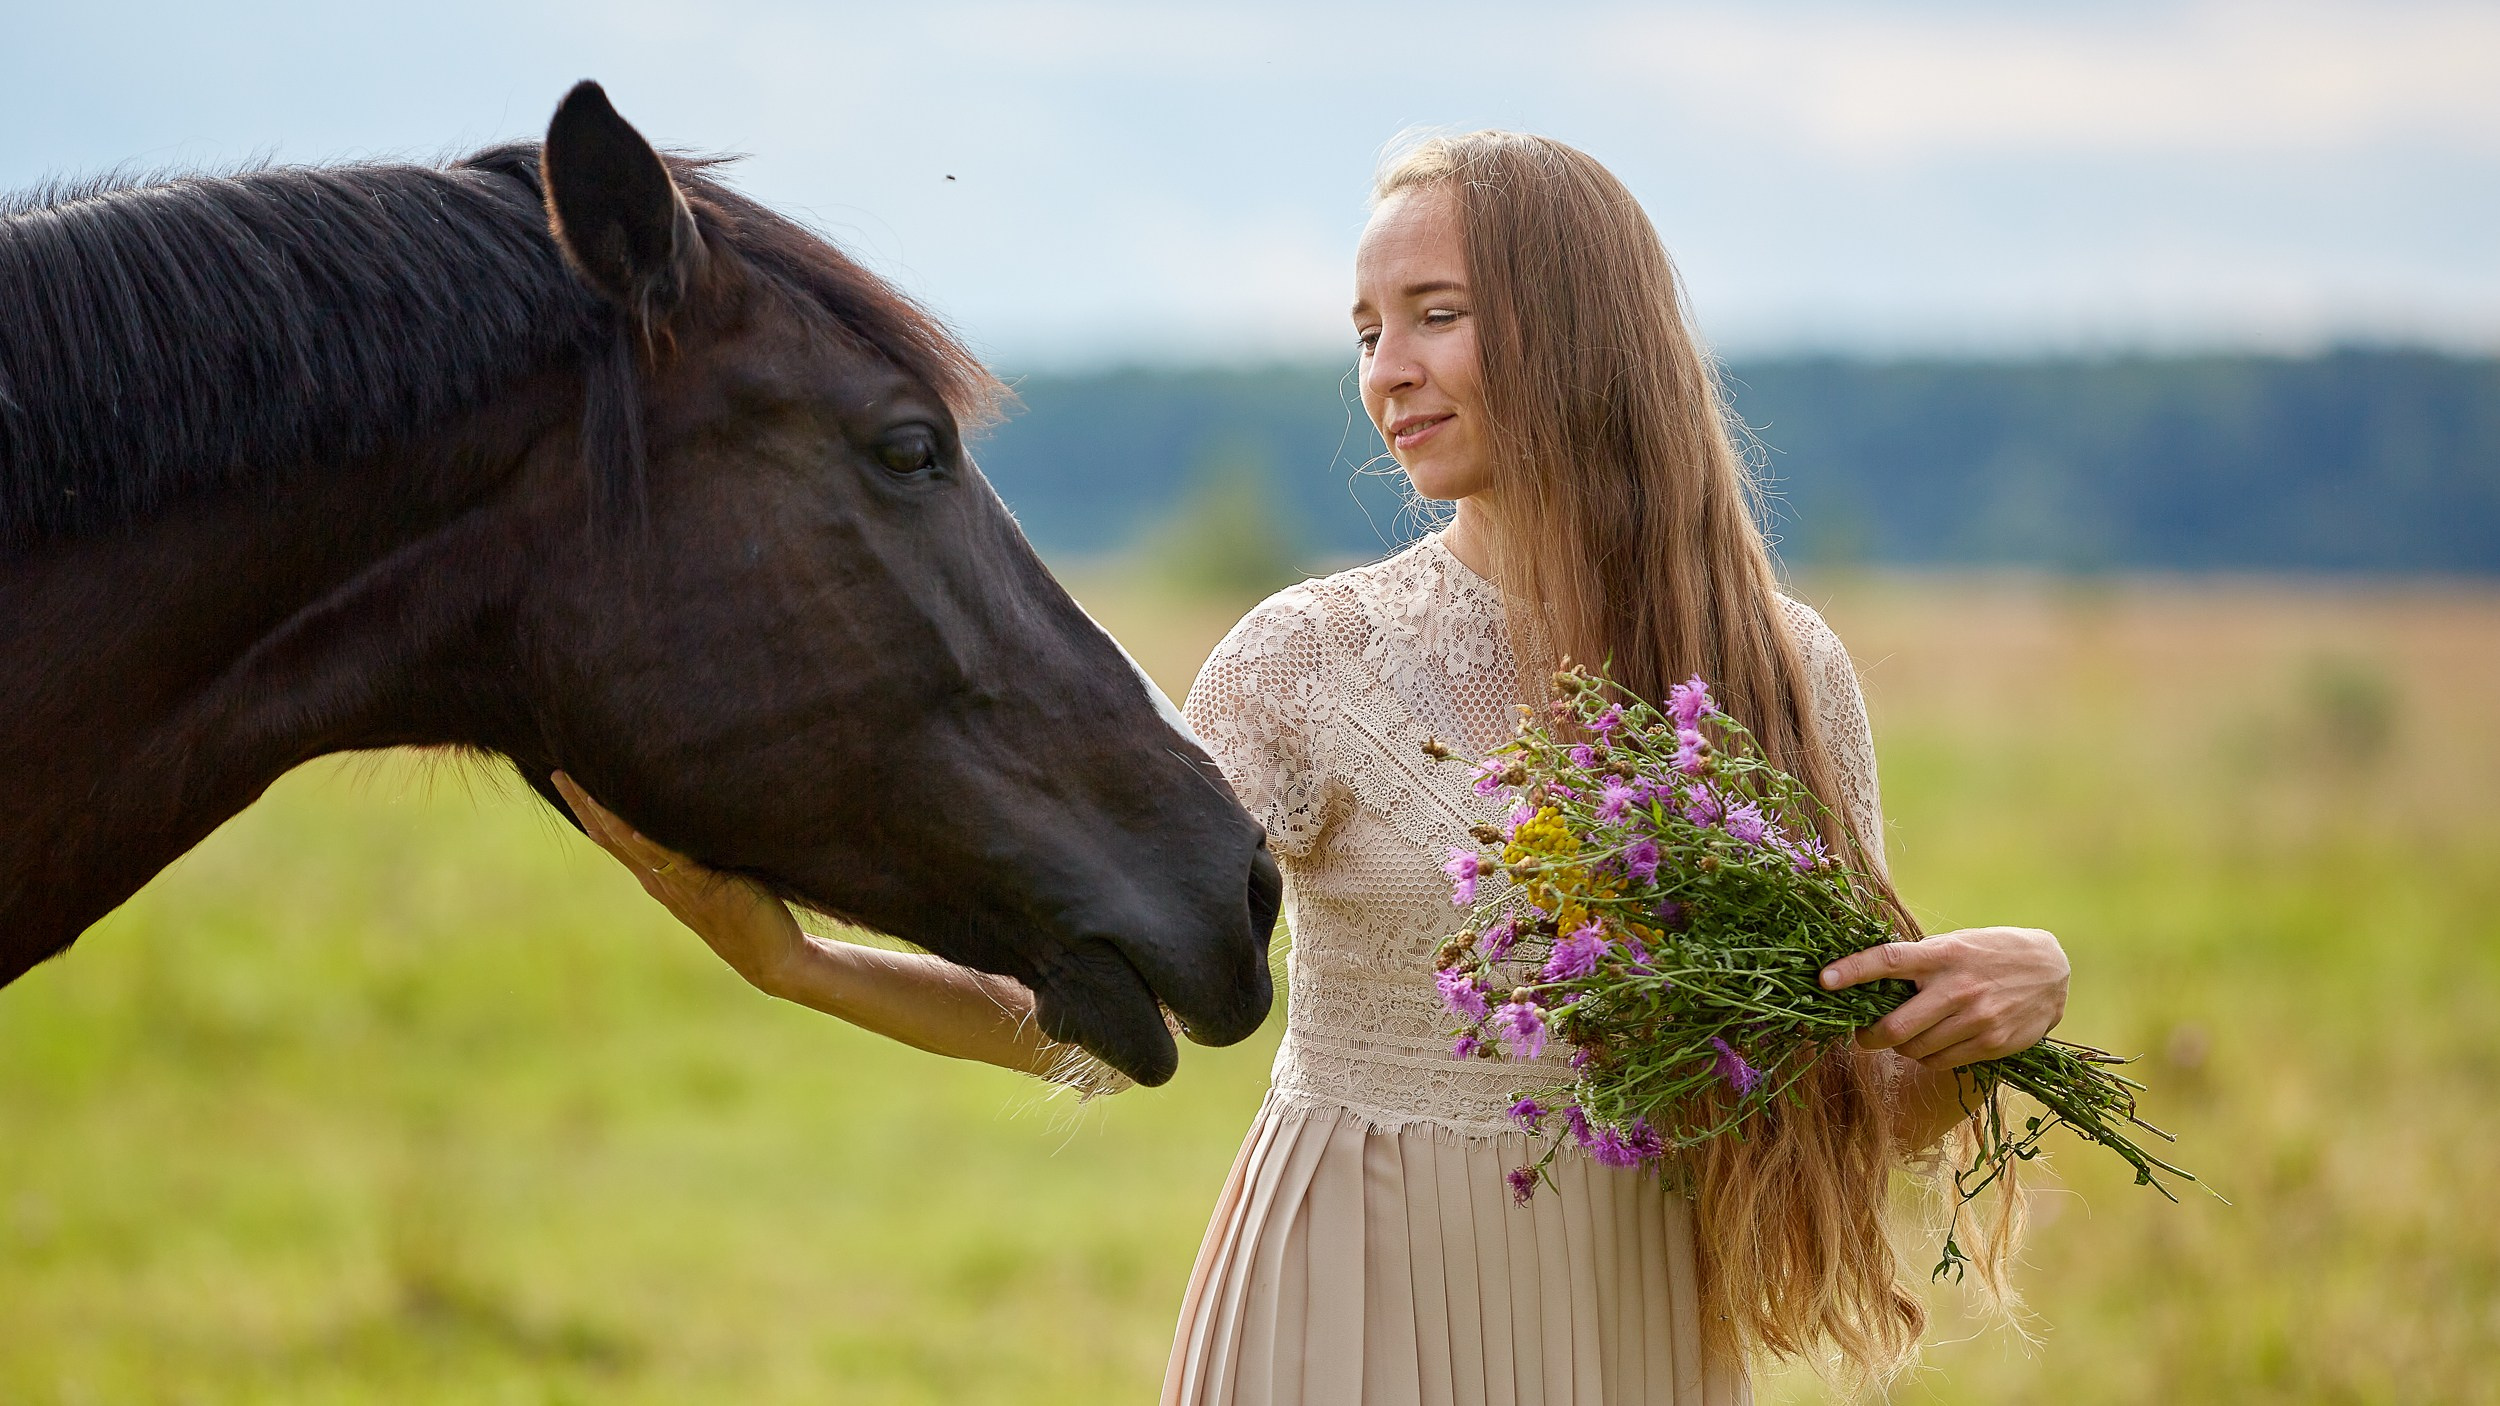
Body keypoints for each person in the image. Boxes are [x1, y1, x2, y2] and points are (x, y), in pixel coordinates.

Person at [557, 131, 2071, 1404]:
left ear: (1576, 325)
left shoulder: (1778, 676)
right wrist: (794, 962)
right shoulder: (1308, 657)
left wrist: (1996, 1012)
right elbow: (1080, 1013)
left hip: (1626, 1327)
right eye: (1365, 330)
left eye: (1432, 314)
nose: (1386, 372)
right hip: (1335, 1303)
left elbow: (1843, 1101)